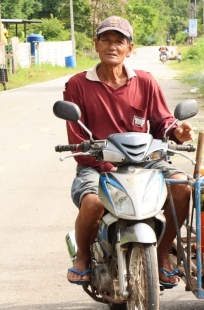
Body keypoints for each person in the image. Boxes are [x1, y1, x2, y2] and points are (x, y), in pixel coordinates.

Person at [63, 16, 194, 289]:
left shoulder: (145, 81)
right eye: (106, 40)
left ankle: (162, 251)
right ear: (96, 44)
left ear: (129, 48)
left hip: (144, 162)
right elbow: (77, 140)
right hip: (97, 165)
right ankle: (83, 257)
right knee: (93, 202)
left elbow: (162, 121)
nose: (112, 46)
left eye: (119, 41)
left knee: (182, 186)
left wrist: (177, 132)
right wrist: (107, 165)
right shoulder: (77, 84)